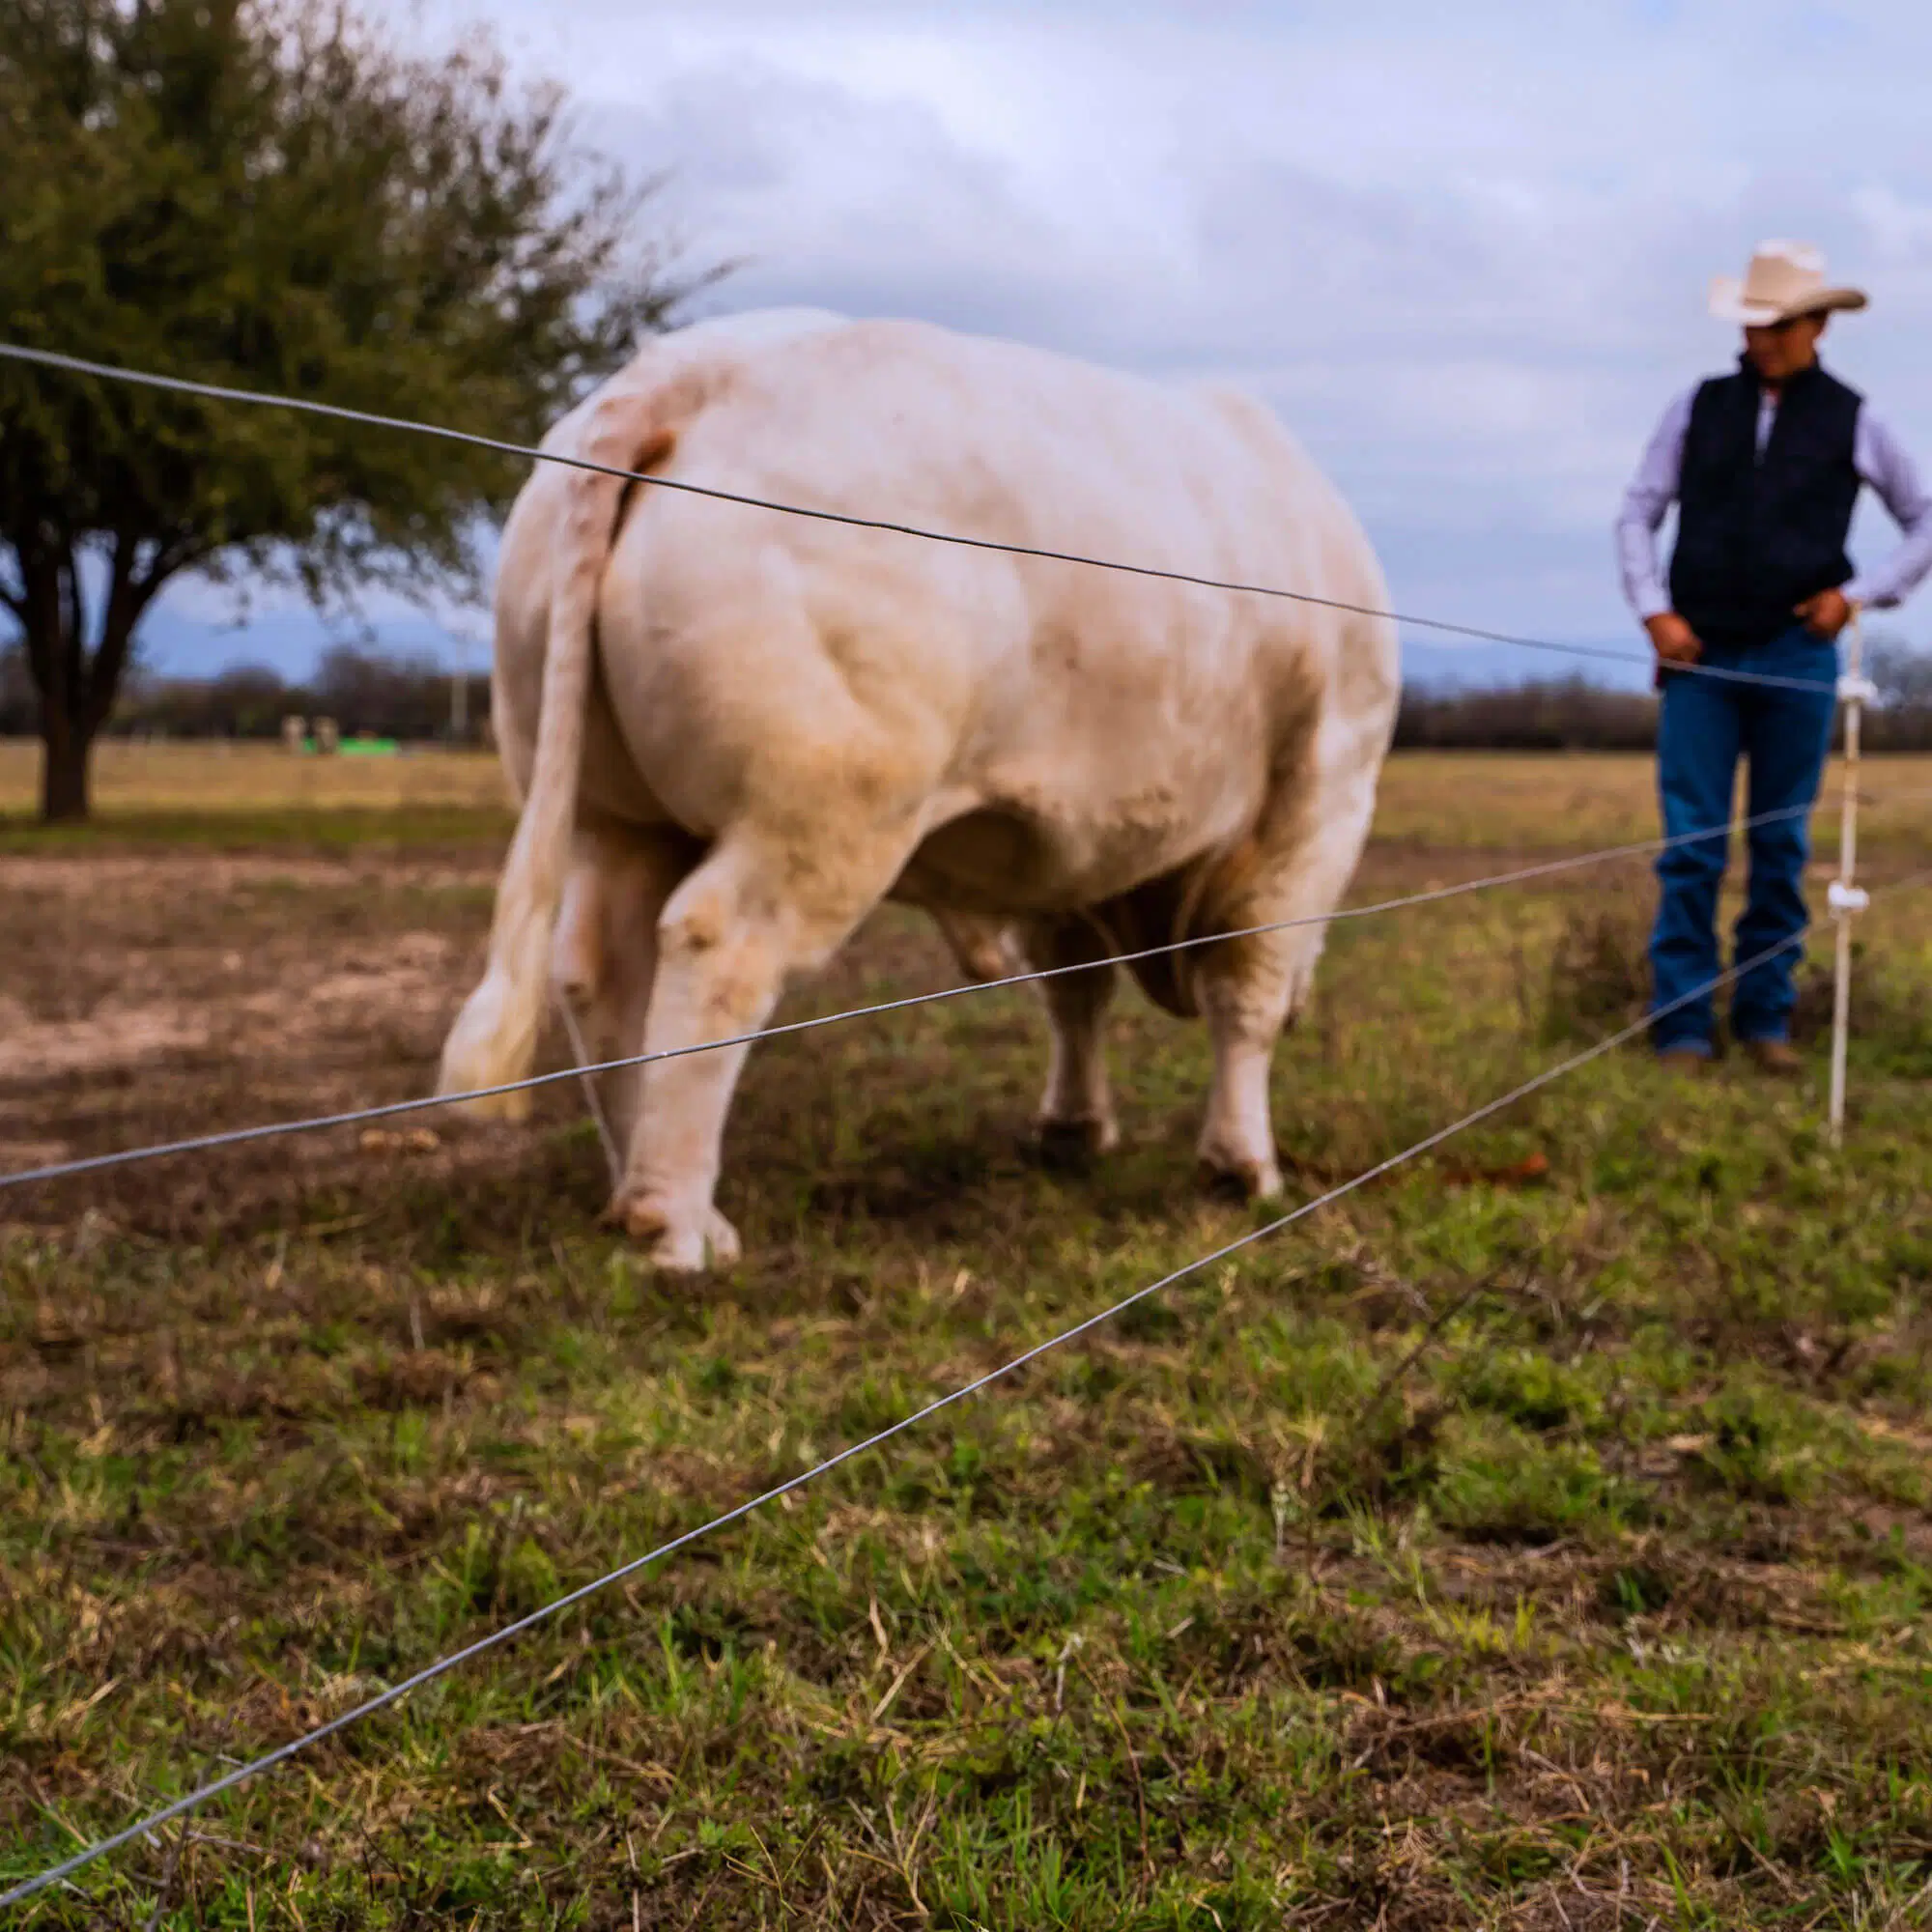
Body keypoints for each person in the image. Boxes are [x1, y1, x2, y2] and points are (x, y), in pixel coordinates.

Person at [1616, 240, 1932, 1073]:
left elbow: (1924, 519)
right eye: (1754, 325)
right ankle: (1681, 1026)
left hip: (1799, 655)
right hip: (1700, 656)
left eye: (1780, 325)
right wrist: (1656, 613)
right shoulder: (1697, 406)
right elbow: (1637, 514)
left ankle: (1765, 1019)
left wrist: (1855, 596)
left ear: (1818, 324)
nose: (1763, 340)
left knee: (1781, 844)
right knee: (1692, 847)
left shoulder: (1855, 417)